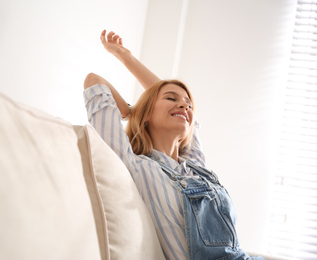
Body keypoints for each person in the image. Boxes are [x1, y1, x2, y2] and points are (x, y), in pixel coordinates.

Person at [83, 30, 263, 260]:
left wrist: (127, 56)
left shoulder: (197, 167)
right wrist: (132, 111)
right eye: (171, 99)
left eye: (189, 105)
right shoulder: (134, 163)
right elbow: (93, 81)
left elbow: (173, 100)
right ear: (146, 113)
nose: (185, 107)